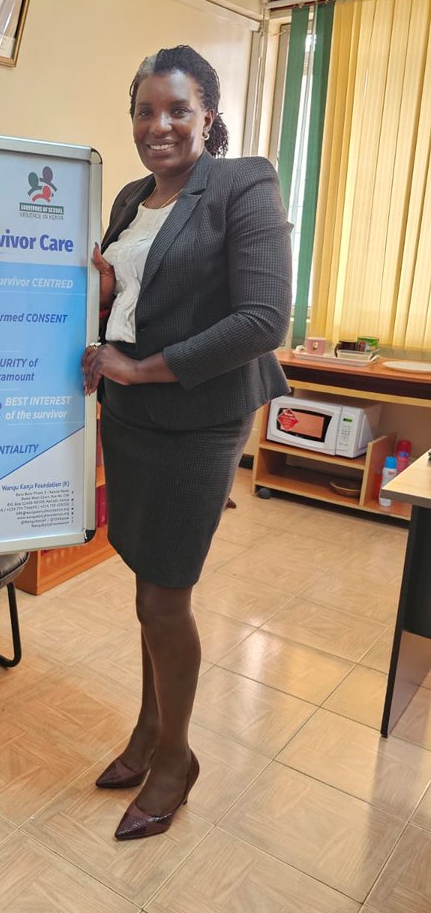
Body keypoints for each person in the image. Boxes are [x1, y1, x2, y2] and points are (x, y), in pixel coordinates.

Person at [82, 46, 291, 841]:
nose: (157, 125)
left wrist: (142, 370)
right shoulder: (134, 197)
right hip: (132, 418)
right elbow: (133, 297)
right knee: (146, 584)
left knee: (166, 594)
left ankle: (175, 756)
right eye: (144, 110)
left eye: (176, 109)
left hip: (199, 417)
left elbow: (263, 320)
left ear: (208, 116)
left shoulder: (243, 184)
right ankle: (145, 731)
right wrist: (102, 302)